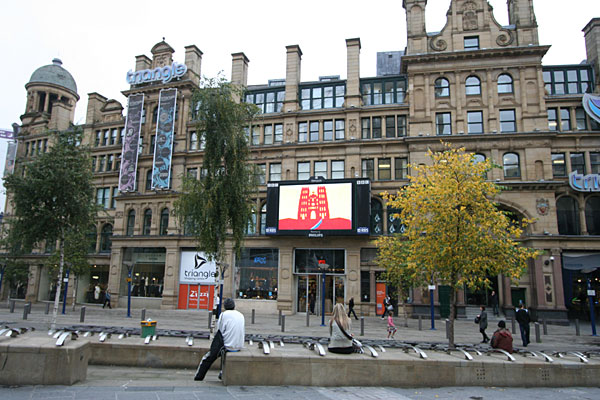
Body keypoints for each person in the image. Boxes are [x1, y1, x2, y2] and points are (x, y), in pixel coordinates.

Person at [194, 298, 245, 381]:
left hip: (228, 345)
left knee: (208, 357)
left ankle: (199, 377)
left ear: (225, 306)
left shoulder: (224, 315)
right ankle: (222, 372)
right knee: (223, 351)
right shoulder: (240, 315)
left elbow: (220, 330)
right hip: (239, 345)